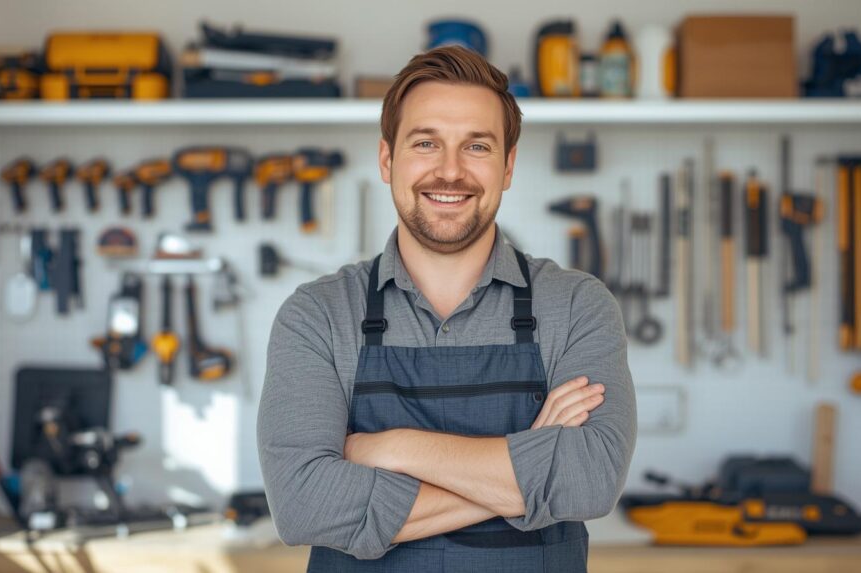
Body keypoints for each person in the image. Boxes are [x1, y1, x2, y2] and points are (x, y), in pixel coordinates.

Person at [258, 45, 636, 572]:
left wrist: (390, 447)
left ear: (507, 167)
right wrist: (531, 462)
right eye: (426, 142)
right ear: (388, 159)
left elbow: (590, 481)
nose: (450, 171)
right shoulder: (318, 315)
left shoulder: (576, 305)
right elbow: (305, 507)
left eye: (477, 146)